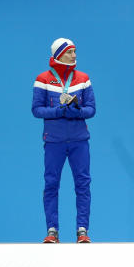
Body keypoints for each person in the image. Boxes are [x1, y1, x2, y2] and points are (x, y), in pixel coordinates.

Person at [32, 38, 96, 243]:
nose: (74, 55)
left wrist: (75, 110)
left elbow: (91, 110)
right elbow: (36, 110)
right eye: (70, 52)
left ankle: (82, 230)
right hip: (54, 141)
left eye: (75, 51)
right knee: (51, 184)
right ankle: (52, 230)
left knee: (83, 184)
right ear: (59, 54)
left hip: (79, 140)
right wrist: (59, 110)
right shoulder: (43, 79)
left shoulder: (83, 78)